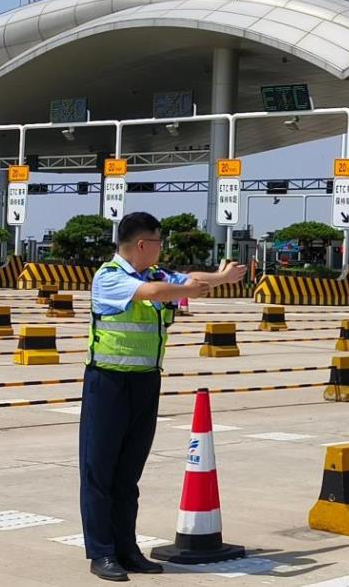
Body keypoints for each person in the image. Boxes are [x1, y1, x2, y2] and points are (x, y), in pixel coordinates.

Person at [80, 212, 246, 582]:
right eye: (158, 242)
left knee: (128, 475)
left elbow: (188, 279)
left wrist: (219, 278)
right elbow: (156, 294)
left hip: (145, 382)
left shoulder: (154, 274)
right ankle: (102, 552)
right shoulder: (110, 276)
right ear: (142, 244)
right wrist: (191, 289)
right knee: (100, 472)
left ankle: (127, 549)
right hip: (107, 383)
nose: (162, 248)